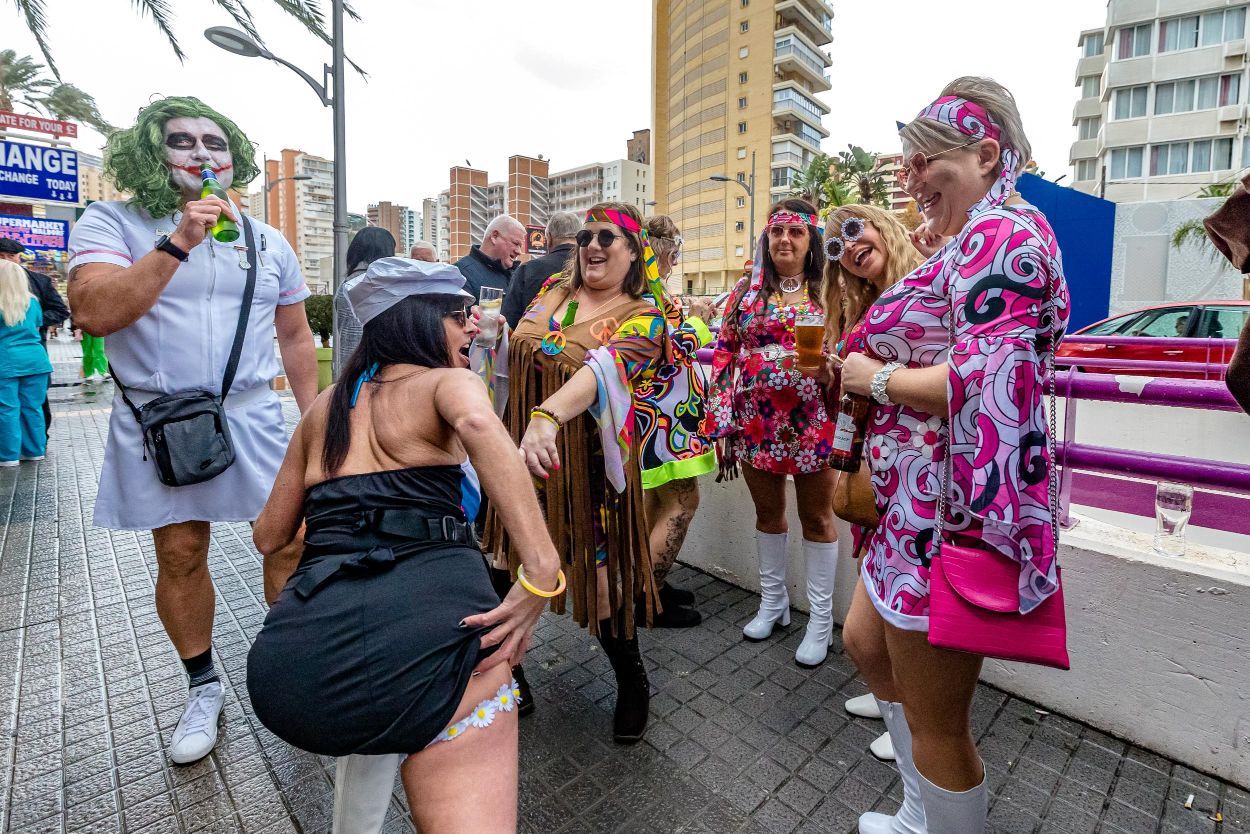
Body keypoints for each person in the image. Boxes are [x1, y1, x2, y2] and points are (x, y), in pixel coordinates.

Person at [247, 258, 559, 834]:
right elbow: (481, 427)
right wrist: (541, 569)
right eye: (461, 316)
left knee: (367, 765)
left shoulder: (325, 408)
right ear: (419, 321)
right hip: (437, 646)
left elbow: (270, 535)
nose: (473, 328)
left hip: (297, 674)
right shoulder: (446, 383)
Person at [836, 78, 1069, 833]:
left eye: (925, 161)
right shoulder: (976, 237)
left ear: (986, 154)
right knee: (865, 641)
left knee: (940, 718)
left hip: (947, 513)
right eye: (905, 166)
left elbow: (989, 381)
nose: (910, 181)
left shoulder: (1007, 236)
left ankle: (935, 818)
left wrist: (877, 377)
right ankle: (916, 812)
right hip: (912, 507)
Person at [66, 96, 318, 766]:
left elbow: (294, 337)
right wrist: (179, 239)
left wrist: (315, 417)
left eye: (216, 143)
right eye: (183, 142)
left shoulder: (268, 240)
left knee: (290, 539)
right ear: (153, 153)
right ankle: (203, 687)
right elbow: (93, 310)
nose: (202, 155)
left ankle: (291, 670)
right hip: (162, 421)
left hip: (253, 414)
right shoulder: (110, 222)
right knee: (181, 553)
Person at [483, 202, 669, 743]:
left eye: (607, 238)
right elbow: (523, 347)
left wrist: (548, 416)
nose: (593, 245)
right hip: (520, 457)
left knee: (606, 590)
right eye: (587, 236)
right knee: (501, 565)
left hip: (588, 470)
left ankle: (632, 683)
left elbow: (600, 371)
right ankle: (507, 674)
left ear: (634, 251)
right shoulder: (552, 293)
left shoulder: (645, 315)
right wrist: (490, 335)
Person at [701, 198, 839, 668]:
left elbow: (857, 353)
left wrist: (831, 374)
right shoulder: (747, 291)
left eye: (795, 233)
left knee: (818, 518)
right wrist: (721, 422)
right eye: (776, 232)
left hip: (816, 422)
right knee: (767, 513)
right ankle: (774, 603)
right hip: (755, 422)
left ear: (811, 240)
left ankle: (820, 620)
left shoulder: (831, 291)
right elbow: (723, 354)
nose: (784, 240)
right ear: (766, 239)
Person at [820, 204, 927, 771]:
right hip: (874, 463)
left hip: (914, 470)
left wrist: (869, 378)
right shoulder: (870, 301)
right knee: (873, 611)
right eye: (837, 245)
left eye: (854, 229)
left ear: (882, 225)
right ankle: (895, 703)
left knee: (890, 616)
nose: (849, 246)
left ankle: (914, 716)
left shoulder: (925, 281)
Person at [633, 215, 717, 627]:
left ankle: (647, 584)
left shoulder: (640, 283)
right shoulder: (646, 289)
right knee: (683, 502)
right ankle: (647, 600)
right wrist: (699, 319)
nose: (675, 261)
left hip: (658, 414)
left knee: (659, 498)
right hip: (666, 418)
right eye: (675, 252)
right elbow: (667, 342)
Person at [0, 239, 68, 431]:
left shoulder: (39, 281)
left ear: (19, 257)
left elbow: (60, 311)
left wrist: (29, 321)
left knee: (34, 402)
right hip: (3, 356)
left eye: (11, 256)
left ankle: (38, 446)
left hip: (33, 353)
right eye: (1, 257)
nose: (6, 261)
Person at [0, 261, 53, 466]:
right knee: (32, 407)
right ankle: (34, 450)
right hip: (37, 360)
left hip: (6, 361)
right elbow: (39, 325)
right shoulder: (33, 302)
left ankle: (8, 455)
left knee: (6, 409)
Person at [333, 227, 398, 380]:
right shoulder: (366, 285)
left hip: (353, 372)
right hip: (370, 375)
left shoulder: (347, 284)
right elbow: (356, 336)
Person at [500, 211, 577, 327]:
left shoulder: (527, 270)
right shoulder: (592, 270)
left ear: (549, 238)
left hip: (534, 342)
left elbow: (508, 322)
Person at [454, 215, 525, 302]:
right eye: (515, 243)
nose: (519, 252)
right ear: (494, 237)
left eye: (520, 246)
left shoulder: (518, 275)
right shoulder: (459, 274)